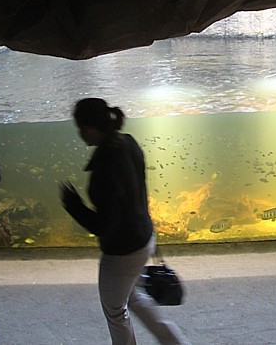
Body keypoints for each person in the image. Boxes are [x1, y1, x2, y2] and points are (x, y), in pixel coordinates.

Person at [60, 98, 188, 345]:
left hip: (123, 252)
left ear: (89, 128)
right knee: (133, 297)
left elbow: (104, 226)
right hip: (144, 237)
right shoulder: (129, 143)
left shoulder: (105, 167)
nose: (80, 134)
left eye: (80, 128)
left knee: (116, 310)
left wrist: (74, 205)